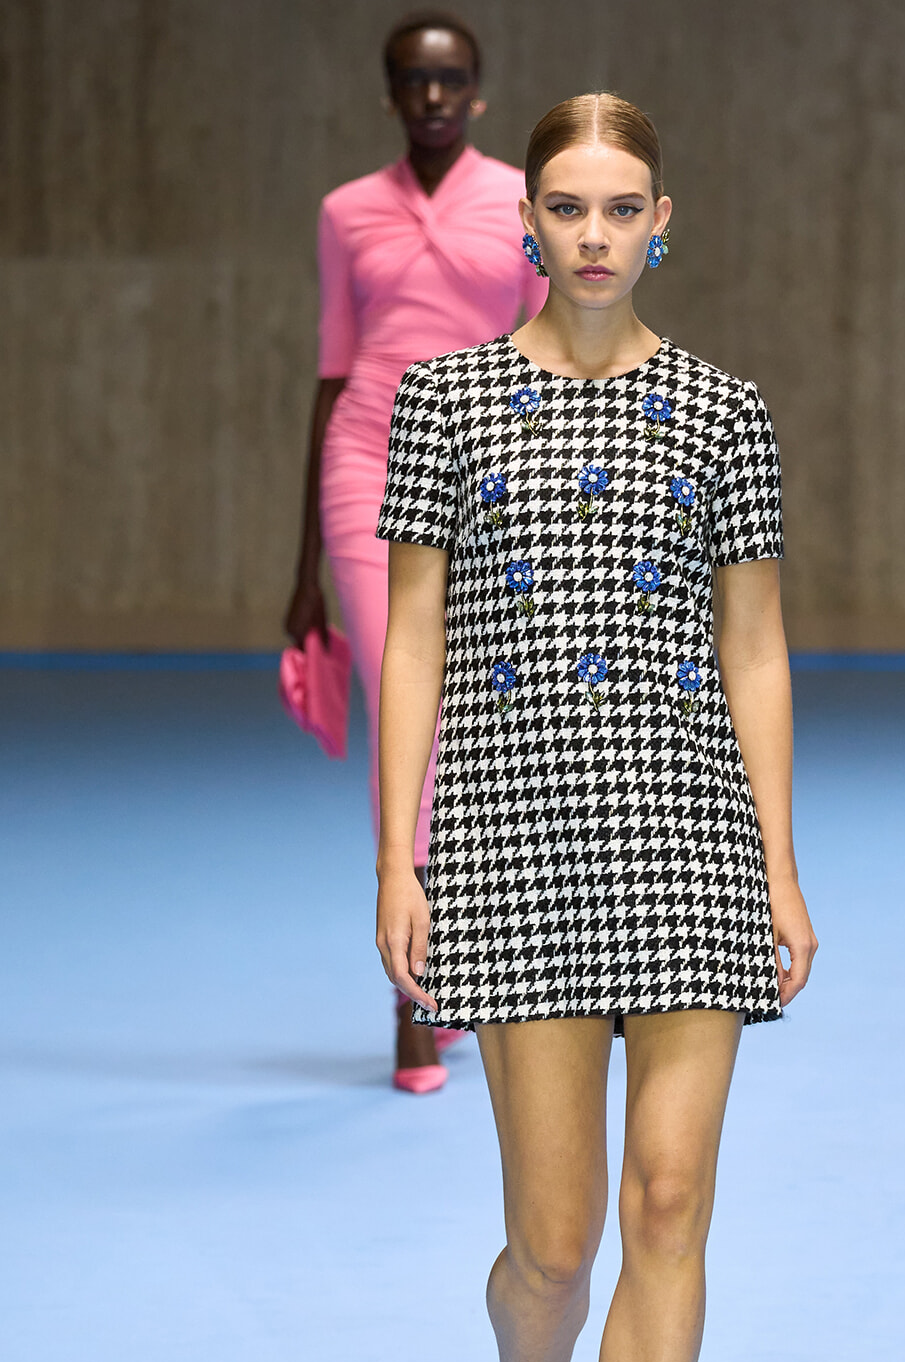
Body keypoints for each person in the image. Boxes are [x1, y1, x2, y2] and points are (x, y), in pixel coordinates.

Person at [374, 92, 818, 1362]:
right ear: (530, 223)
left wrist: (776, 862)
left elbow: (754, 647)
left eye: (623, 207)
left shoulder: (724, 411)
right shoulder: (448, 404)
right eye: (568, 206)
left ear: (665, 220)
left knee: (672, 1203)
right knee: (553, 1248)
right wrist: (396, 857)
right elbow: (410, 638)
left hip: (689, 841)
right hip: (509, 845)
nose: (595, 234)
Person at [284, 10, 545, 1094]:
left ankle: (501, 960)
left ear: (477, 92)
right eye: (412, 81)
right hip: (365, 472)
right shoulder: (347, 213)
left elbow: (550, 362)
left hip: (488, 476)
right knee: (411, 716)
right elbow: (334, 375)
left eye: (450, 81)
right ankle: (413, 989)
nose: (432, 97)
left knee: (497, 716)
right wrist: (302, 570)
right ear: (390, 95)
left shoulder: (520, 206)